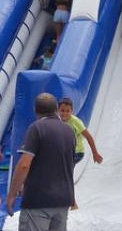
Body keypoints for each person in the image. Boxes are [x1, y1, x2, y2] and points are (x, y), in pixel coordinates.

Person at [6, 93, 76, 231]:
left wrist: (12, 194)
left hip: (39, 201)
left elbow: (24, 164)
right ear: (56, 108)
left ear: (36, 110)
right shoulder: (69, 131)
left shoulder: (36, 128)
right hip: (63, 200)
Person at [58, 98, 103, 165]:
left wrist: (95, 153)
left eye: (68, 111)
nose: (65, 113)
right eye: (62, 111)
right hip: (66, 151)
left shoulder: (75, 122)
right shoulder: (57, 121)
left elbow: (88, 136)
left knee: (66, 166)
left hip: (77, 152)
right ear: (58, 110)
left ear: (72, 111)